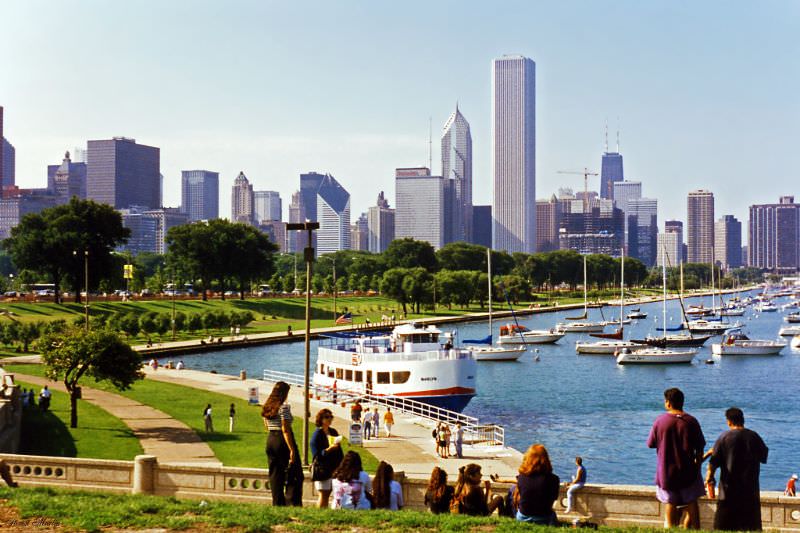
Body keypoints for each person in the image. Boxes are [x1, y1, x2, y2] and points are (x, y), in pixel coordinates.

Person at [647, 387, 706, 529]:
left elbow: (651, 444)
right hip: (689, 469)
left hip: (666, 471)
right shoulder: (691, 421)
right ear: (682, 402)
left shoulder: (660, 421)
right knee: (692, 501)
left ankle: (671, 529)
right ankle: (697, 530)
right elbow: (700, 447)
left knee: (670, 502)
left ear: (667, 403)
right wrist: (697, 466)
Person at [705, 407, 768, 531]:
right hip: (750, 490)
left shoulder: (724, 437)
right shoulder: (754, 437)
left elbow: (713, 464)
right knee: (750, 527)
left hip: (728, 490)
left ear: (728, 421)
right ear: (743, 420)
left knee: (723, 526)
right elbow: (763, 456)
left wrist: (709, 478)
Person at [262, 381, 303, 506]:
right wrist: (292, 449)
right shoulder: (283, 407)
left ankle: (277, 502)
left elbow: (266, 424)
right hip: (282, 439)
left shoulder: (267, 406)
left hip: (271, 439)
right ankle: (292, 501)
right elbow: (285, 429)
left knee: (275, 473)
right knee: (295, 471)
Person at [513, 444, 561, 524]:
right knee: (553, 515)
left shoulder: (521, 477)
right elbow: (553, 499)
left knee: (512, 489)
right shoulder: (554, 479)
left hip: (523, 516)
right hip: (544, 517)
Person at [310, 408, 344, 508]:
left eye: (331, 417)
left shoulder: (333, 431)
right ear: (321, 419)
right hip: (322, 469)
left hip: (333, 468)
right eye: (326, 417)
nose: (329, 419)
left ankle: (325, 513)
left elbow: (339, 452)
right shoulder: (317, 434)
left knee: (329, 493)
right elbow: (316, 455)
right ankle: (320, 514)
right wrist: (329, 449)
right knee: (323, 494)